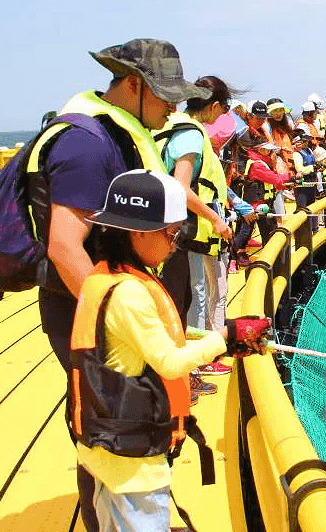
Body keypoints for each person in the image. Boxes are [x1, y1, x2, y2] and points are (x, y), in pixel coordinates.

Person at [28, 38, 208, 532]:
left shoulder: (121, 133)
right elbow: (65, 245)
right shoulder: (87, 144)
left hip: (113, 306)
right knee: (109, 425)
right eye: (166, 94)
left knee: (115, 424)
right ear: (133, 85)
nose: (174, 106)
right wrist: (118, 320)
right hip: (95, 315)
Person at [71, 169, 270, 532]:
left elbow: (152, 336)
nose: (174, 243)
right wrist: (225, 335)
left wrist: (217, 340)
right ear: (139, 233)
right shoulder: (130, 293)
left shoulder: (104, 277)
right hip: (132, 466)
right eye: (171, 232)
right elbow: (170, 361)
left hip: (105, 452)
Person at [154, 75, 239, 384]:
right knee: (192, 299)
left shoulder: (171, 125)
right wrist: (215, 219)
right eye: (224, 108)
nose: (222, 115)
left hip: (169, 230)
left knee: (187, 297)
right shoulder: (191, 135)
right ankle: (195, 366)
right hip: (187, 231)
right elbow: (182, 187)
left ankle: (191, 366)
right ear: (213, 105)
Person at [291, 129, 321, 232]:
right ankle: (303, 231)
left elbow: (314, 162)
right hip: (302, 185)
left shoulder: (309, 150)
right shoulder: (296, 154)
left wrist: (319, 167)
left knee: (312, 205)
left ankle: (314, 228)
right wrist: (313, 168)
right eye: (305, 141)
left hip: (312, 183)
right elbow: (300, 169)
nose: (307, 143)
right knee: (302, 207)